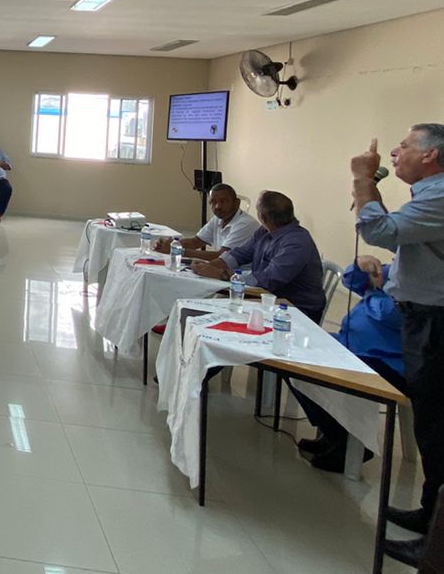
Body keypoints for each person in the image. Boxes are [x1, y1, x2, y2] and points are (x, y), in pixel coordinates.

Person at [353, 125, 444, 567]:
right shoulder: (435, 193)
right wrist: (390, 278)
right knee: (434, 432)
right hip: (434, 322)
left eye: (405, 146)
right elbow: (420, 250)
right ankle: (432, 514)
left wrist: (364, 179)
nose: (395, 152)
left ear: (432, 155)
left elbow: (379, 229)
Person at [290, 256, 404, 473]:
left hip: (383, 358)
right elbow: (350, 281)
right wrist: (360, 266)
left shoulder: (425, 285)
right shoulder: (396, 270)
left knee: (319, 372)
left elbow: (392, 314)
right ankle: (332, 431)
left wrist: (372, 291)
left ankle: (349, 443)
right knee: (293, 356)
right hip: (350, 344)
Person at [189, 190, 327, 321]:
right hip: (268, 297)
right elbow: (241, 253)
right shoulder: (265, 230)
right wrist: (210, 265)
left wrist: (222, 274)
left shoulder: (297, 242)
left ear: (263, 217)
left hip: (295, 309)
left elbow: (268, 279)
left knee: (217, 310)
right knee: (208, 303)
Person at [155, 183, 260, 262]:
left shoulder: (245, 224)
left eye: (223, 201)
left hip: (240, 276)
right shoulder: (218, 218)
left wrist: (177, 250)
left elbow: (221, 257)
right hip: (222, 268)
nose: (217, 207)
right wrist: (170, 244)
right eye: (213, 202)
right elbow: (195, 242)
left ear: (237, 203)